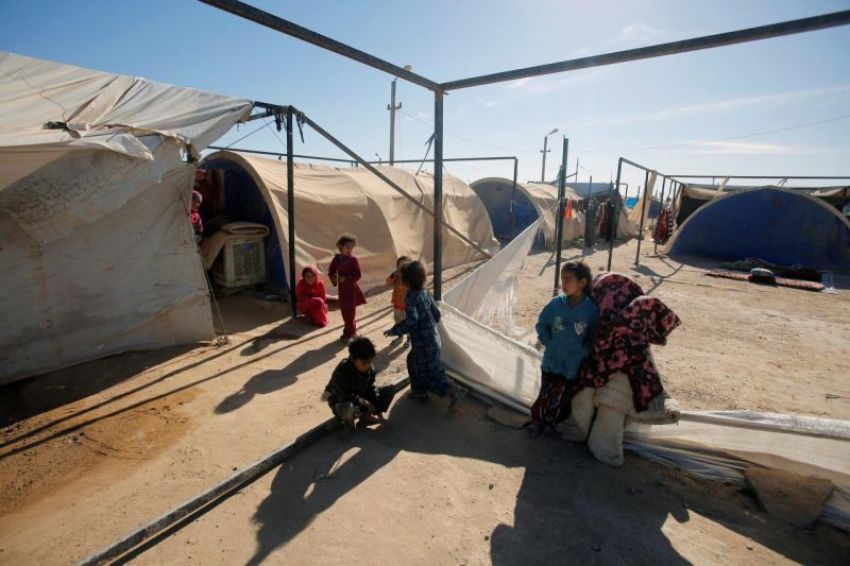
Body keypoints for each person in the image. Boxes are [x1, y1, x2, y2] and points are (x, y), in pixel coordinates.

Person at [530, 261, 598, 434]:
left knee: (562, 396)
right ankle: (539, 421)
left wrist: (583, 351)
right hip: (551, 359)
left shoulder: (591, 310)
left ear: (582, 283)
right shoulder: (556, 304)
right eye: (562, 279)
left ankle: (553, 423)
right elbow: (542, 324)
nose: (564, 284)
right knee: (545, 392)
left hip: (572, 364)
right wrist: (548, 341)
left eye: (568, 279)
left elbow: (593, 336)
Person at [384, 261, 461, 405]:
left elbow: (412, 319)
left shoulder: (411, 297)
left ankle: (425, 392)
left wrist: (395, 330)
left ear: (406, 282)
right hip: (433, 339)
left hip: (422, 344)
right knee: (433, 368)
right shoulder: (425, 293)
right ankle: (447, 387)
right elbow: (436, 314)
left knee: (417, 367)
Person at [322, 337, 395, 430]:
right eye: (364, 363)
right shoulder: (343, 370)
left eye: (370, 361)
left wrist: (380, 417)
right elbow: (344, 395)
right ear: (353, 359)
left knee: (389, 390)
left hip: (359, 398)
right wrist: (364, 402)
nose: (368, 365)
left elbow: (371, 388)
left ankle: (365, 418)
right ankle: (349, 425)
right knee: (348, 407)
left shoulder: (369, 369)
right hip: (341, 401)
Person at [328, 234, 366, 343]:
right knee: (344, 311)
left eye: (352, 247)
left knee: (350, 312)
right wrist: (335, 279)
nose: (350, 250)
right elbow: (331, 272)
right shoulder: (336, 259)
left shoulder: (353, 260)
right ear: (340, 246)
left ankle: (348, 334)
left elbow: (358, 275)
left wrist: (346, 279)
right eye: (347, 247)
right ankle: (352, 333)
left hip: (352, 289)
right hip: (342, 290)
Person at [385, 256, 412, 346]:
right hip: (397, 302)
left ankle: (409, 339)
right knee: (398, 321)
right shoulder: (396, 274)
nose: (402, 266)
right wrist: (393, 276)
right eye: (400, 265)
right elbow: (388, 282)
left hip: (409, 303)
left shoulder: (411, 276)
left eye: (405, 264)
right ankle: (400, 337)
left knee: (409, 321)